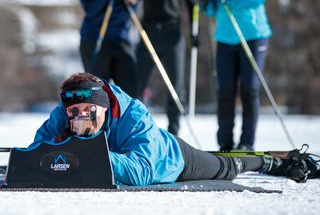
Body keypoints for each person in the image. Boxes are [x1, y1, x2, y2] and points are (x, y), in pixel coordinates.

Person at [30, 72, 318, 186]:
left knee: (225, 167)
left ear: (102, 106)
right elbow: (37, 149)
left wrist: (82, 152)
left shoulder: (134, 114)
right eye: (73, 113)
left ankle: (270, 161)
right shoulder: (65, 111)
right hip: (130, 156)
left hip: (173, 161)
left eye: (87, 111)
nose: (80, 117)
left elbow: (140, 172)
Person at [199, 0, 273, 151]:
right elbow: (211, 8)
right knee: (225, 92)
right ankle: (225, 145)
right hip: (225, 37)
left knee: (249, 88)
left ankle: (247, 143)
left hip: (253, 35)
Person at [136, 0, 197, 135]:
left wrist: (194, 33)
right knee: (138, 86)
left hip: (173, 33)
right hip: (147, 34)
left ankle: (174, 133)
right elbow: (133, 0)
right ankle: (137, 131)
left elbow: (193, 4)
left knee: (175, 87)